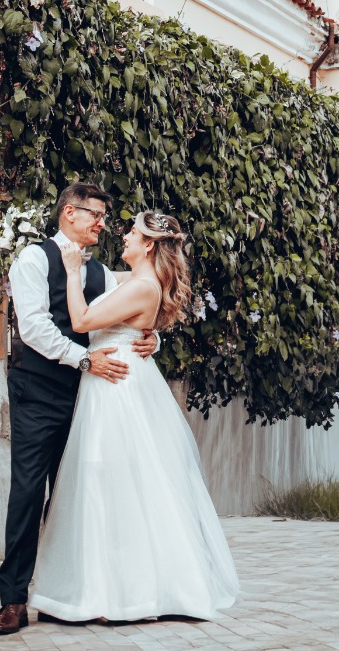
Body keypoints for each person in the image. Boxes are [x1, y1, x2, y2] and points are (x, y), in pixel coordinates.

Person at [29, 209, 239, 623]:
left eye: (132, 232)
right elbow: (123, 310)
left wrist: (72, 272)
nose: (123, 235)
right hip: (114, 379)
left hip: (117, 385)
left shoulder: (144, 285)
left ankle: (130, 593)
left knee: (117, 479)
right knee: (114, 481)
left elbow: (83, 320)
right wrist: (153, 337)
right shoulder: (134, 281)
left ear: (148, 245)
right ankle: (105, 587)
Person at [0, 181, 159, 635]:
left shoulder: (102, 272)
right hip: (39, 393)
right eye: (95, 216)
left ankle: (63, 595)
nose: (102, 225)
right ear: (69, 213)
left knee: (76, 497)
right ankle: (13, 601)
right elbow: (36, 328)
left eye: (104, 218)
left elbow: (129, 314)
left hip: (87, 399)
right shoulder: (32, 259)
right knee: (27, 493)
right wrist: (83, 359)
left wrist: (150, 338)